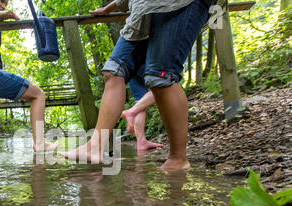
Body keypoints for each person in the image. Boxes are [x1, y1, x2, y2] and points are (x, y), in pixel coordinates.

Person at [59, 0, 213, 171]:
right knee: (113, 72)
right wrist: (110, 7)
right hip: (141, 10)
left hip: (179, 5)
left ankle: (178, 158)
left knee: (160, 75)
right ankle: (94, 146)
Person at [0, 0, 58, 155]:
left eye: (6, 3)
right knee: (38, 95)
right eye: (2, 0)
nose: (4, 6)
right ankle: (40, 143)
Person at [123, 71, 163, 151]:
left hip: (132, 66)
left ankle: (141, 142)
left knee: (140, 100)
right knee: (165, 86)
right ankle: (131, 112)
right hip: (148, 61)